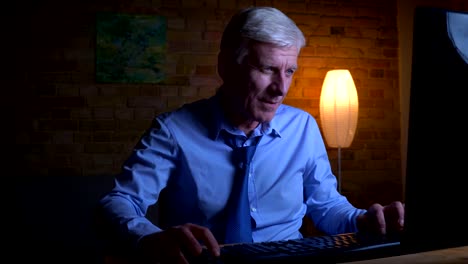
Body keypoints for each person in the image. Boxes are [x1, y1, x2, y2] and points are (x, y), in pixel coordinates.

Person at [98, 6, 405, 264]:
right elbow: (119, 201)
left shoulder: (303, 127)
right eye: (268, 69)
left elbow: (326, 206)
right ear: (227, 66)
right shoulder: (172, 130)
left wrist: (362, 220)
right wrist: (149, 238)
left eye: (289, 72)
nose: (281, 89)